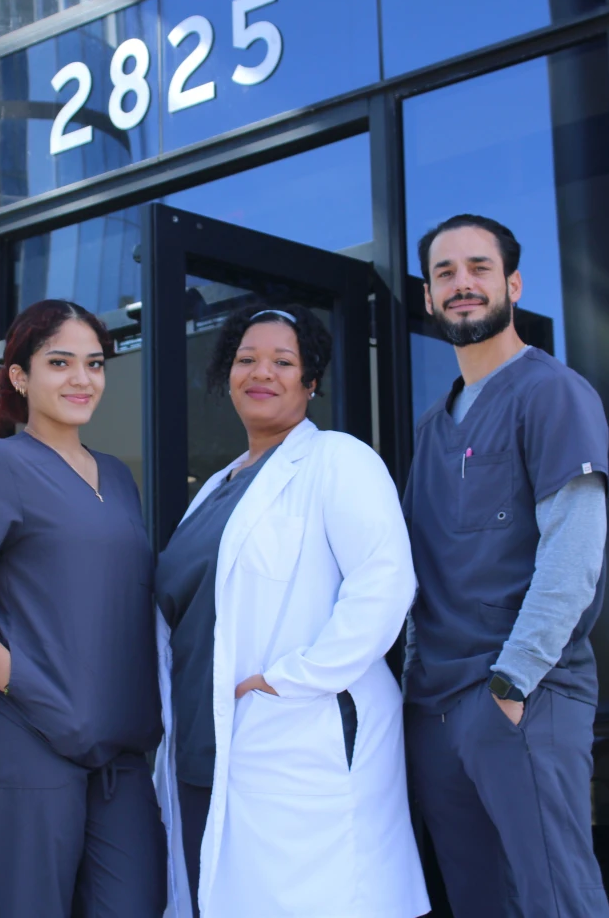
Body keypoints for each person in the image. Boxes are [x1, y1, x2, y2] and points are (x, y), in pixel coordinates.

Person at [153, 303, 429, 918]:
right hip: (206, 751)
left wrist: (289, 680)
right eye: (247, 359)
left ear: (311, 381)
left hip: (295, 736)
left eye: (283, 361)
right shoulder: (214, 491)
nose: (262, 372)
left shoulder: (339, 460)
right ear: (227, 375)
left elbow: (385, 583)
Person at [0, 299, 165, 917]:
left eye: (94, 364)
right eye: (60, 362)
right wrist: (33, 690)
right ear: (20, 376)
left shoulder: (118, 477)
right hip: (25, 732)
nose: (82, 379)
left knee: (140, 903)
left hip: (118, 750)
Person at [403, 214, 609, 917]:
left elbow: (574, 550)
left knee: (559, 900)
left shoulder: (551, 392)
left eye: (478, 268)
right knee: (479, 902)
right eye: (444, 273)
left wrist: (512, 683)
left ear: (512, 284)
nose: (462, 284)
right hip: (436, 710)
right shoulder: (432, 429)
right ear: (428, 299)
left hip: (522, 693)